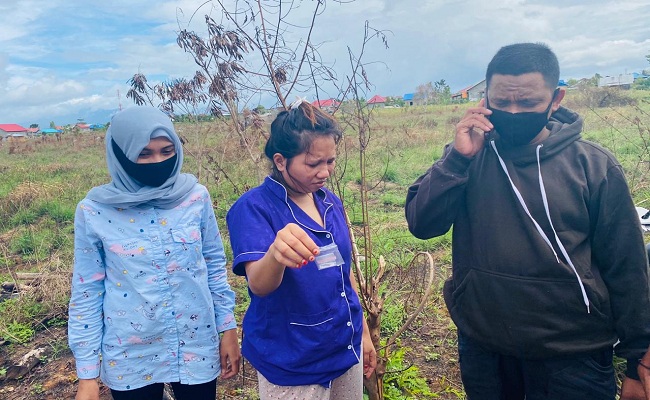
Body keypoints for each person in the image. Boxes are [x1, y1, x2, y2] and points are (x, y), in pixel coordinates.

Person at [405, 42, 650, 400]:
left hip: (573, 355)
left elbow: (626, 266)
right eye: (502, 103)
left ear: (556, 98)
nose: (514, 112)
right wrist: (457, 161)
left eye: (529, 103)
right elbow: (422, 224)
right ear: (485, 98)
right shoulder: (466, 157)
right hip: (485, 349)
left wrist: (637, 359)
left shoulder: (592, 166)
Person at [68, 106, 240, 400]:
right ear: (121, 156)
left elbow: (213, 265)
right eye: (143, 154)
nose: (157, 161)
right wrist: (87, 375)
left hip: (195, 344)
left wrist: (228, 329)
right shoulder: (94, 211)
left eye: (166, 151)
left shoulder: (196, 197)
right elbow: (87, 291)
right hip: (130, 356)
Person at [226, 100, 376, 399]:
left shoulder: (329, 202)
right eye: (313, 164)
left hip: (343, 347)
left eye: (330, 161)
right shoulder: (254, 209)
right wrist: (275, 255)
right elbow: (259, 284)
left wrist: (363, 334)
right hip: (293, 360)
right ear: (281, 161)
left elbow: (343, 276)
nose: (325, 172)